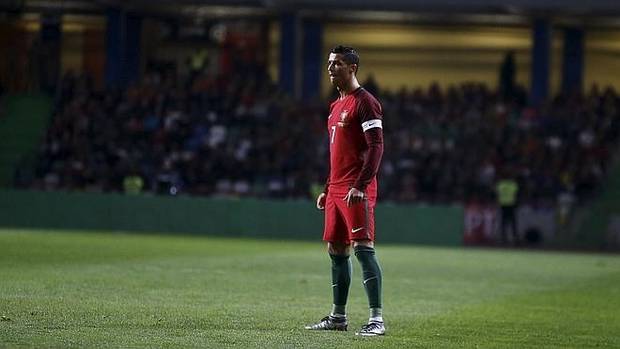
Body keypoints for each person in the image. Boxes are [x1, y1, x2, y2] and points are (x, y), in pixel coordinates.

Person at [304, 46, 385, 336]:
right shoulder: (335, 105)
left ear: (352, 68)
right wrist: (328, 188)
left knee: (363, 249)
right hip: (337, 189)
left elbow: (376, 147)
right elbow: (336, 153)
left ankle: (377, 319)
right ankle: (338, 317)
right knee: (336, 250)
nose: (330, 68)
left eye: (337, 63)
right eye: (329, 63)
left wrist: (361, 185)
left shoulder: (366, 102)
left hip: (356, 188)